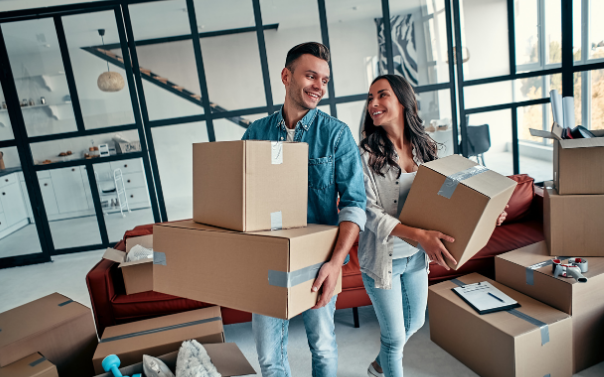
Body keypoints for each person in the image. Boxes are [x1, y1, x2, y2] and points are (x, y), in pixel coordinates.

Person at [358, 74, 507, 377]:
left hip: (415, 256)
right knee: (395, 336)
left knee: (414, 323)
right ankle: (387, 364)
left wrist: (485, 213)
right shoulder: (365, 156)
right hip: (382, 261)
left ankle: (379, 365)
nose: (373, 103)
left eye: (382, 95)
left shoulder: (425, 148)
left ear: (402, 101)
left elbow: (448, 200)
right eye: (370, 98)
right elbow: (369, 213)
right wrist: (419, 235)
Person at [241, 42, 367, 377]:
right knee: (268, 357)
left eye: (324, 80)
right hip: (266, 259)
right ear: (286, 76)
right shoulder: (255, 133)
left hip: (318, 262)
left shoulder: (336, 136)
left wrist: (336, 264)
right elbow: (241, 198)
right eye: (311, 75)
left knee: (323, 347)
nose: (319, 86)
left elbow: (355, 205)